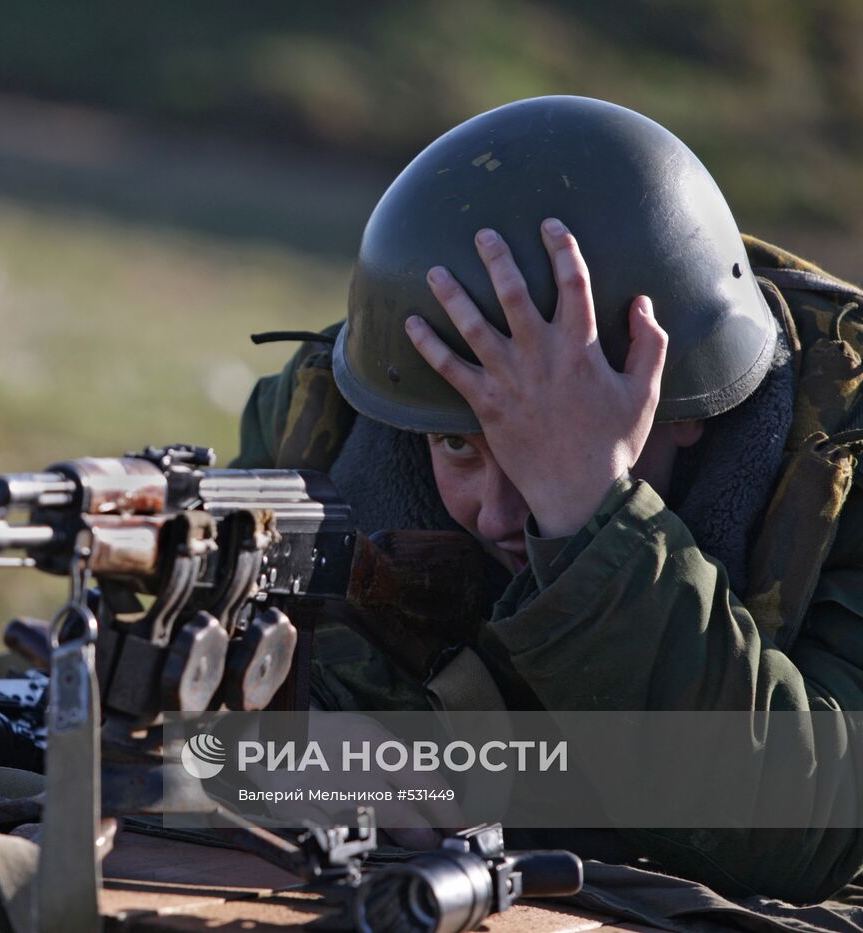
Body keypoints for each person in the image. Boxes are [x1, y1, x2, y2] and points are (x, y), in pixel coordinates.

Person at [232, 96, 863, 906]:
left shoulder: (840, 469)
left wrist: (592, 506)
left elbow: (810, 831)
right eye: (460, 446)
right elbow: (149, 701)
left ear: (689, 407)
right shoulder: (342, 412)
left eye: (538, 449)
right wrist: (281, 744)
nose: (498, 515)